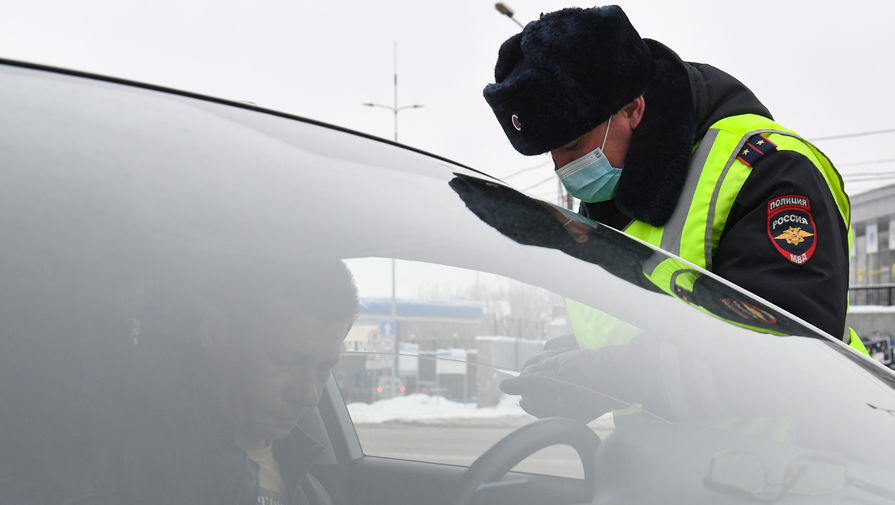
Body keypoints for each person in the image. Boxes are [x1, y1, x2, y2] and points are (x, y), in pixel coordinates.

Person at [482, 5, 854, 344]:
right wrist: (578, 362)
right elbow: (642, 329)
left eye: (574, 144)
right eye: (550, 151)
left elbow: (786, 356)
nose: (562, 166)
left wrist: (609, 375)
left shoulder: (769, 172)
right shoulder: (612, 191)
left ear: (632, 109)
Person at [121, 256, 360, 505]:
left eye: (324, 369)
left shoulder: (310, 488)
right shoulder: (133, 465)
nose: (309, 394)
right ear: (215, 333)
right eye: (284, 360)